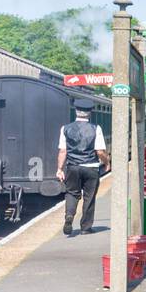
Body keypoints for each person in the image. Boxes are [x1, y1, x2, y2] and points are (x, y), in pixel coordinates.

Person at [56, 97, 109, 236]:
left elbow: (63, 151)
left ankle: (69, 215)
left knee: (72, 193)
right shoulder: (96, 129)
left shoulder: (65, 129)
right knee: (89, 197)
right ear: (90, 112)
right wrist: (107, 162)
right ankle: (85, 228)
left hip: (73, 167)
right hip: (91, 167)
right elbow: (100, 151)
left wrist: (60, 169)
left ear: (76, 111)